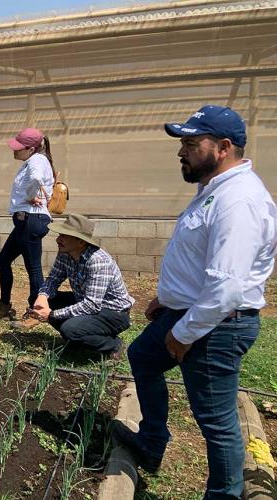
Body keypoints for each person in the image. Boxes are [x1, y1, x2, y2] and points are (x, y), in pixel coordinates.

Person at [113, 105, 276, 499]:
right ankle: (152, 442)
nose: (181, 151)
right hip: (187, 313)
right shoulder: (214, 190)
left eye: (190, 142)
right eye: (182, 142)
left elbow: (228, 288)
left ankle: (223, 494)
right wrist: (167, 300)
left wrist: (184, 333)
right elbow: (200, 261)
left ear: (222, 147)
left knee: (216, 423)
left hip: (214, 325)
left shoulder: (239, 202)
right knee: (143, 355)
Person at [15, 213, 133, 357]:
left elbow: (92, 305)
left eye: (64, 236)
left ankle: (113, 345)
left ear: (81, 242)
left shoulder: (98, 261)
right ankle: (77, 338)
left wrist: (52, 314)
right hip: (85, 302)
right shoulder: (65, 253)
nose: (58, 239)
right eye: (59, 235)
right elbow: (53, 279)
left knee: (70, 329)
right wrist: (42, 296)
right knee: (36, 298)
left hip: (113, 313)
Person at [0, 128, 55, 321]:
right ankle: (4, 304)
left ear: (31, 148)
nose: (15, 150)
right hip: (25, 221)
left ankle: (34, 312)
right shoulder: (34, 160)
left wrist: (30, 196)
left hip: (31, 219)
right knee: (3, 260)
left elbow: (36, 179)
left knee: (34, 268)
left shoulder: (37, 160)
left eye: (19, 147)